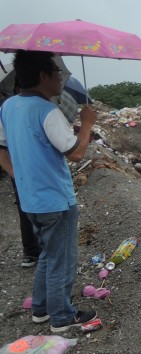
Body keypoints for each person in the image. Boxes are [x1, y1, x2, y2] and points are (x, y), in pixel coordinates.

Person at [0, 50, 98, 332]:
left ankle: (41, 308)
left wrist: (16, 174)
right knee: (62, 259)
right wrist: (88, 123)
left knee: (47, 253)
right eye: (56, 73)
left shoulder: (8, 107)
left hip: (30, 199)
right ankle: (62, 316)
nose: (60, 80)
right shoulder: (47, 111)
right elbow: (77, 153)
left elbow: (1, 147)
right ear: (43, 75)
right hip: (55, 199)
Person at [0, 80, 42, 268]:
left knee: (28, 209)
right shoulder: (11, 108)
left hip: (24, 169)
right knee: (32, 210)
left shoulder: (8, 107)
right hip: (26, 169)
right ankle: (34, 252)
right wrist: (14, 173)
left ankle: (34, 252)